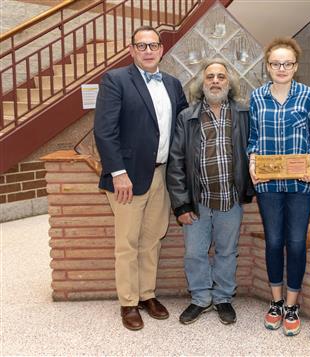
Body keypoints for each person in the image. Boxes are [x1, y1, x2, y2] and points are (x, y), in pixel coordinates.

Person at [94, 26, 188, 331]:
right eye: (141, 45)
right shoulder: (116, 80)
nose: (148, 50)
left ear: (161, 50)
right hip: (128, 179)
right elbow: (104, 130)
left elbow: (183, 128)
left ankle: (147, 295)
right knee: (128, 242)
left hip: (161, 173)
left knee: (152, 239)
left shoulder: (173, 84)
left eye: (153, 45)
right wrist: (118, 172)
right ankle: (128, 302)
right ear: (132, 50)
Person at [167, 58, 253, 325]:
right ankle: (201, 298)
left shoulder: (242, 114)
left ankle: (223, 297)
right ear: (201, 83)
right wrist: (181, 205)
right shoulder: (187, 116)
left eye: (221, 76)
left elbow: (254, 152)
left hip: (231, 198)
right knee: (195, 252)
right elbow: (176, 162)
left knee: (228, 251)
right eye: (210, 77)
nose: (215, 81)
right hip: (198, 200)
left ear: (229, 83)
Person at [247, 37, 310, 336]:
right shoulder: (256, 97)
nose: (281, 68)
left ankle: (292, 305)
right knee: (274, 242)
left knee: (297, 242)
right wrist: (252, 163)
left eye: (287, 63)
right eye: (276, 63)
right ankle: (275, 302)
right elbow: (252, 138)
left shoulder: (307, 95)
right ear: (267, 66)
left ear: (296, 66)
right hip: (268, 185)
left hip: (299, 183)